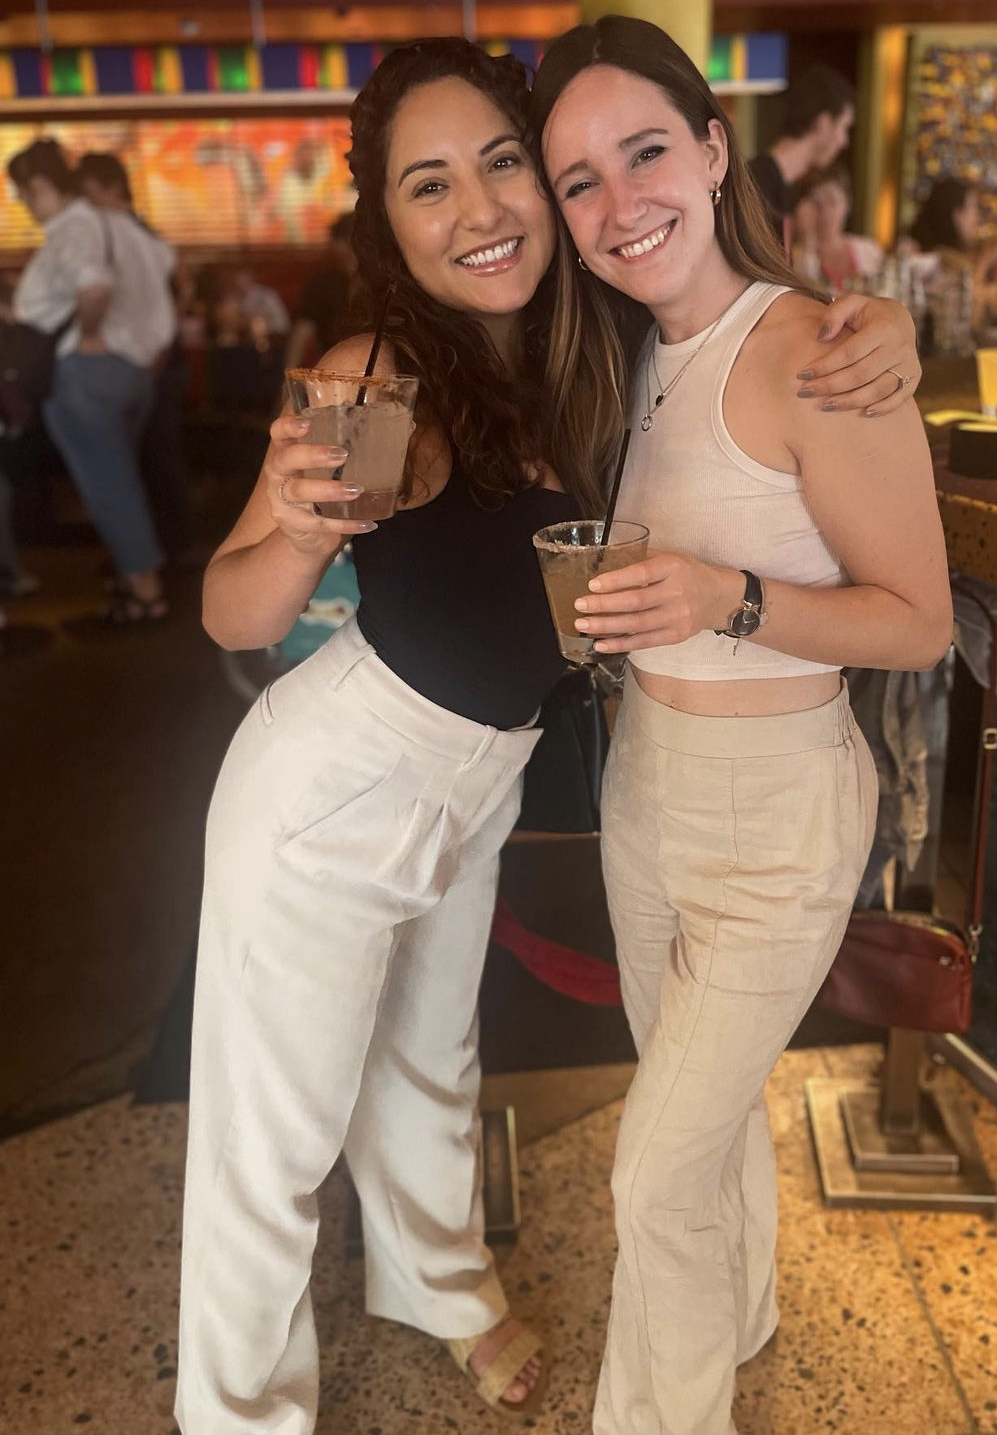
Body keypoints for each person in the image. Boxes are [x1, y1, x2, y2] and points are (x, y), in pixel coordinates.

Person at [175, 36, 924, 1435]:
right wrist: (293, 529)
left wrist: (881, 321)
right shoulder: (373, 375)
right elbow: (233, 612)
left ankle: (442, 1290)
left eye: (504, 164)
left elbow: (748, 325)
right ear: (388, 224)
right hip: (332, 783)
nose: (479, 210)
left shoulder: (603, 347)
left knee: (429, 1062)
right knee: (270, 1129)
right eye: (428, 185)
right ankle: (237, 1410)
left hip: (482, 783)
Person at [532, 16, 952, 1435]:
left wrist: (730, 596)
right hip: (646, 784)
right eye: (578, 180)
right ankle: (747, 1305)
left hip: (777, 810)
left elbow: (920, 622)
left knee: (651, 1169)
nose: (619, 202)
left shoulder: (815, 353)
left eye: (645, 151)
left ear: (715, 152)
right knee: (692, 1109)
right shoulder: (623, 357)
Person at [9, 139, 174, 621]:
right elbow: (165, 269)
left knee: (108, 485)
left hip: (85, 374)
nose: (25, 205)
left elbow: (95, 285)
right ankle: (135, 576)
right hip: (136, 372)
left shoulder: (73, 226)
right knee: (123, 478)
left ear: (42, 185)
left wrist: (89, 333)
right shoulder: (121, 225)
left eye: (25, 194)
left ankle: (146, 594)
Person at [78, 150, 196, 563]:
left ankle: (164, 554)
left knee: (155, 458)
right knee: (143, 459)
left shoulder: (138, 237)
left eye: (90, 193)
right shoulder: (126, 236)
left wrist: (153, 355)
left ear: (112, 188)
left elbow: (179, 294)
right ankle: (148, 555)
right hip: (143, 365)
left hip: (152, 366)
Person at [748, 64, 855, 246]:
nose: (844, 141)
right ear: (823, 123)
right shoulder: (756, 186)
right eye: (844, 128)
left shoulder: (784, 189)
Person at [284, 212, 359, 370]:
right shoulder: (321, 284)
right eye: (337, 241)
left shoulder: (386, 284)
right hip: (330, 369)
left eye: (345, 241)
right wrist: (289, 373)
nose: (338, 248)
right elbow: (302, 330)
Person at [793, 163, 883, 291]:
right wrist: (807, 241)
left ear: (848, 204)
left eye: (832, 202)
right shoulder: (795, 258)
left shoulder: (869, 251)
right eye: (816, 204)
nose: (825, 212)